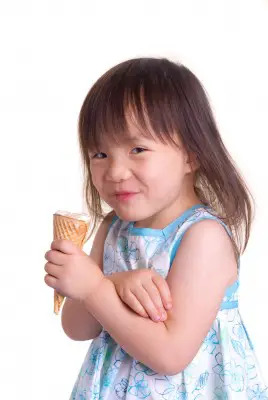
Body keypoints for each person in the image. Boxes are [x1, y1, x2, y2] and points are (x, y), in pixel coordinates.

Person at [44, 57, 268, 399]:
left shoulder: (202, 236)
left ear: (191, 155)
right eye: (99, 153)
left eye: (137, 149)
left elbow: (170, 354)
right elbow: (77, 327)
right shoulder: (113, 227)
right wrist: (109, 284)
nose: (116, 171)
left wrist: (94, 289)